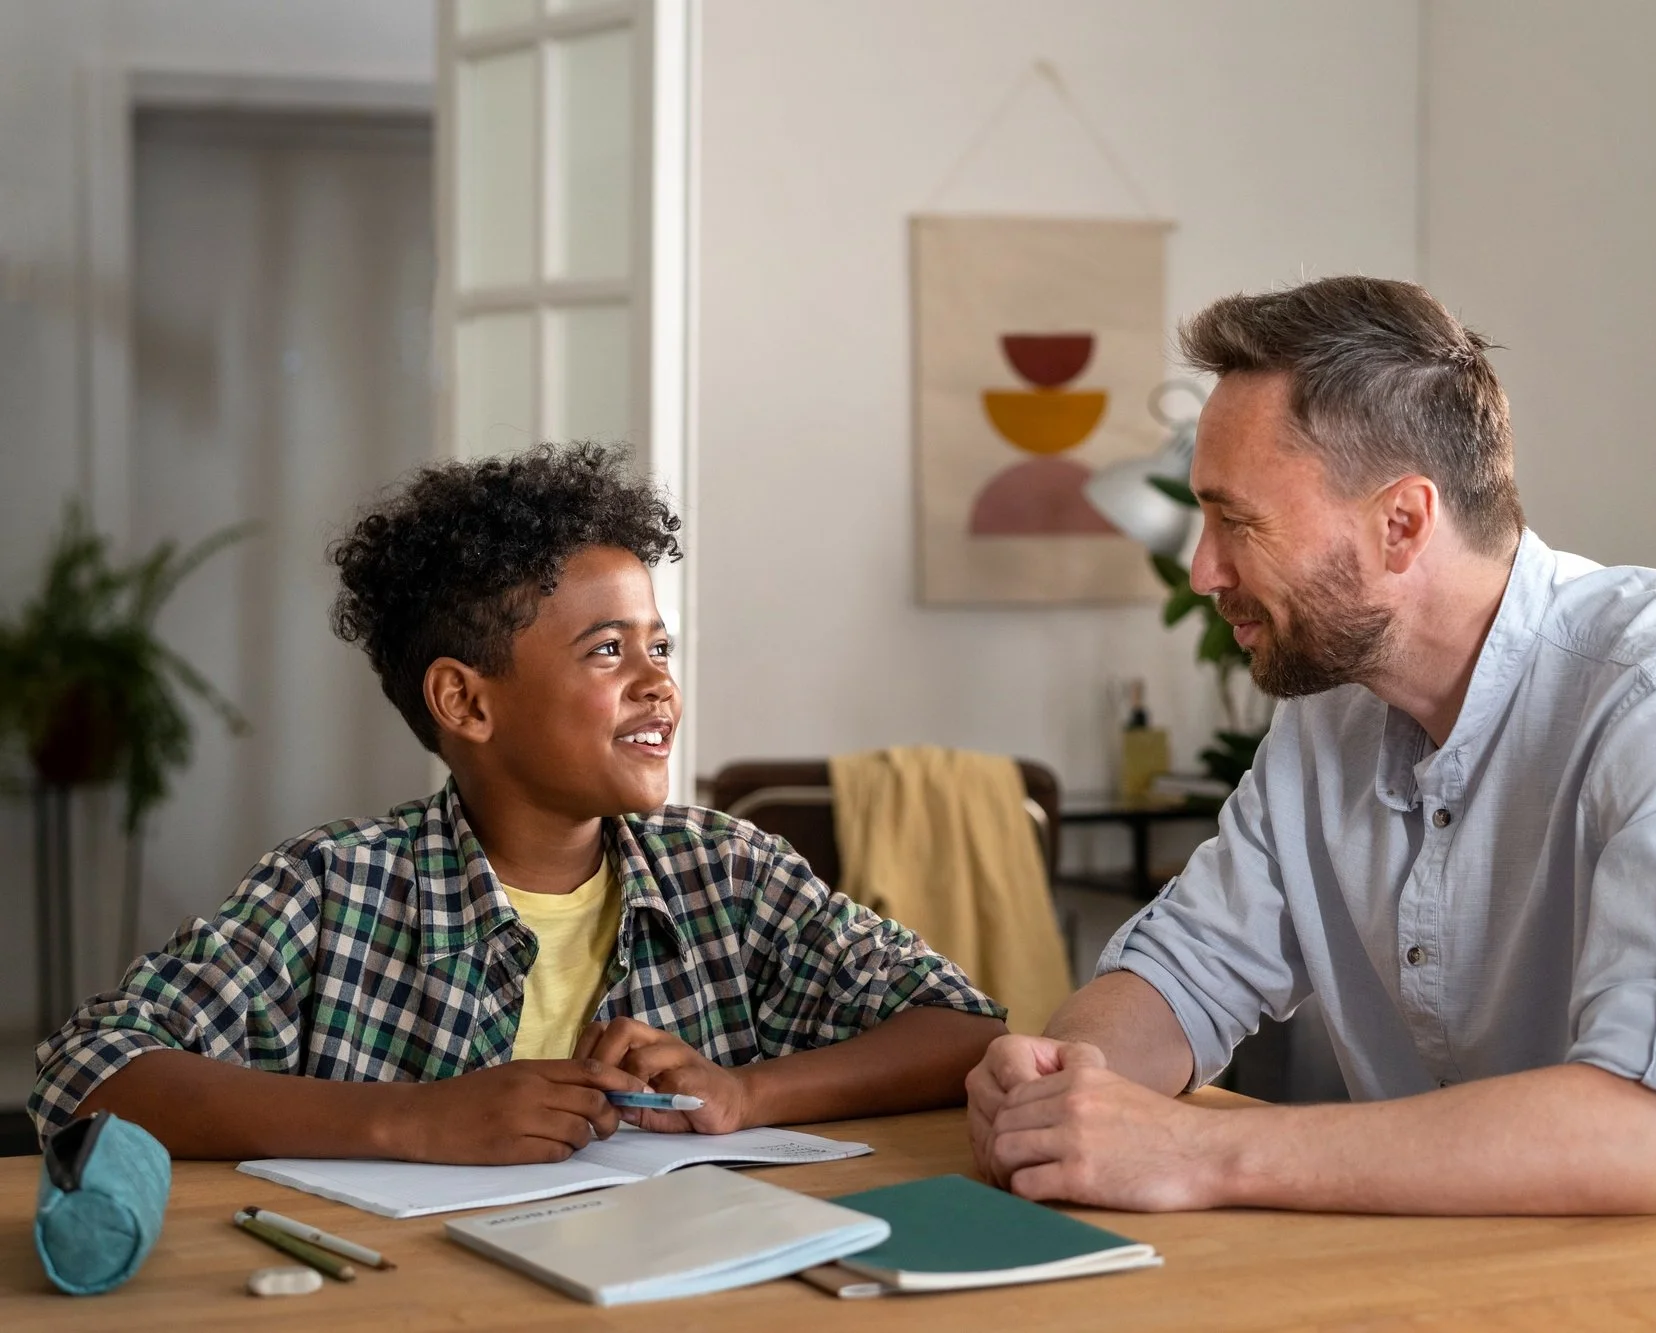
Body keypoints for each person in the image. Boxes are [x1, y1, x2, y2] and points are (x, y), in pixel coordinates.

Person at [966, 277, 1656, 1327]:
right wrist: (1064, 1080)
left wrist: (1201, 1150)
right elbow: (1179, 975)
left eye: (1236, 520)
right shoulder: (1324, 723)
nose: (1202, 566)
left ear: (1401, 521)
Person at [32, 443, 1006, 1163]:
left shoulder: (730, 872)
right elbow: (88, 1073)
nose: (657, 683)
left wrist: (743, 1092)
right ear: (465, 701)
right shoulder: (334, 892)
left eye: (658, 645)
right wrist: (411, 1119)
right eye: (606, 651)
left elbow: (965, 1026)